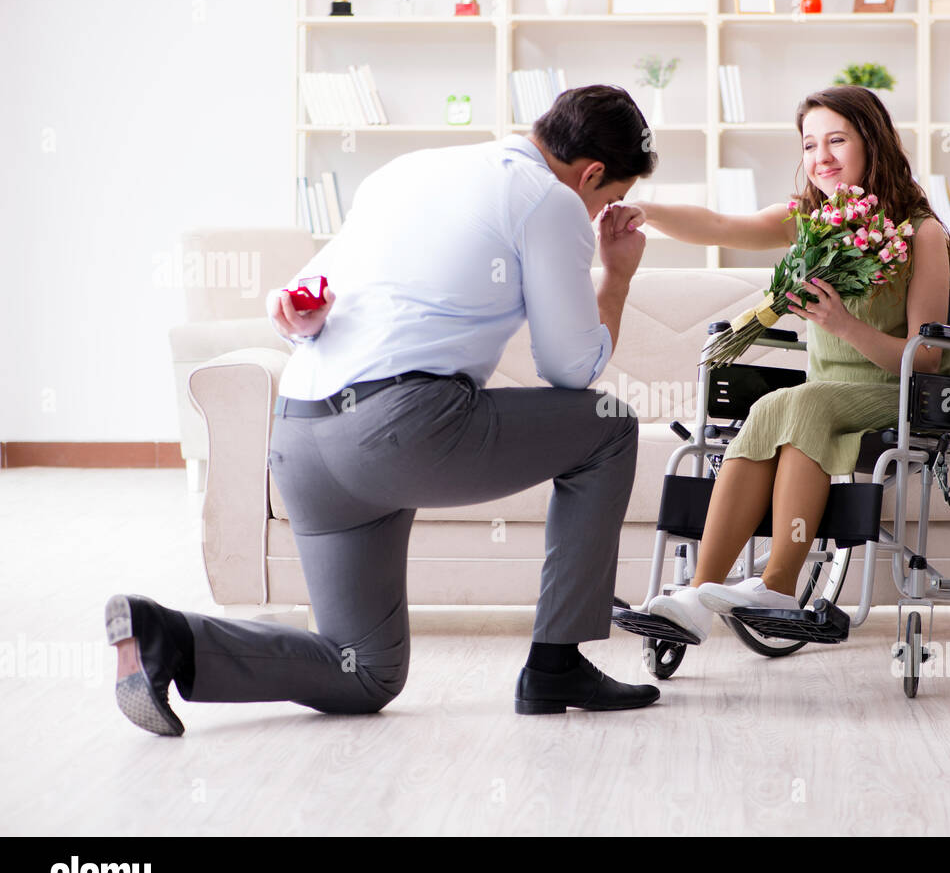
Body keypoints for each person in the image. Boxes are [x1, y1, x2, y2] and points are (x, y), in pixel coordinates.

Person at [105, 85, 663, 736]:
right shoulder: (551, 201)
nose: (597, 214)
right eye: (606, 199)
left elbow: (297, 302)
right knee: (609, 425)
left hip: (301, 435)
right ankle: (557, 664)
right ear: (591, 172)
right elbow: (571, 370)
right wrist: (615, 274)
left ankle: (164, 635)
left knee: (364, 669)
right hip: (397, 431)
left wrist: (294, 312)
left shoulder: (408, 171)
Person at [626, 85, 950, 642]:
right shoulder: (810, 220)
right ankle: (696, 596)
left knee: (799, 400)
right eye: (809, 145)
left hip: (899, 392)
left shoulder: (920, 232)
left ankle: (778, 585)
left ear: (872, 145)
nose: (820, 157)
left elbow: (925, 357)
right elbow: (718, 226)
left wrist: (844, 326)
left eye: (836, 140)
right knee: (775, 405)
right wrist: (646, 210)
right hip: (824, 395)